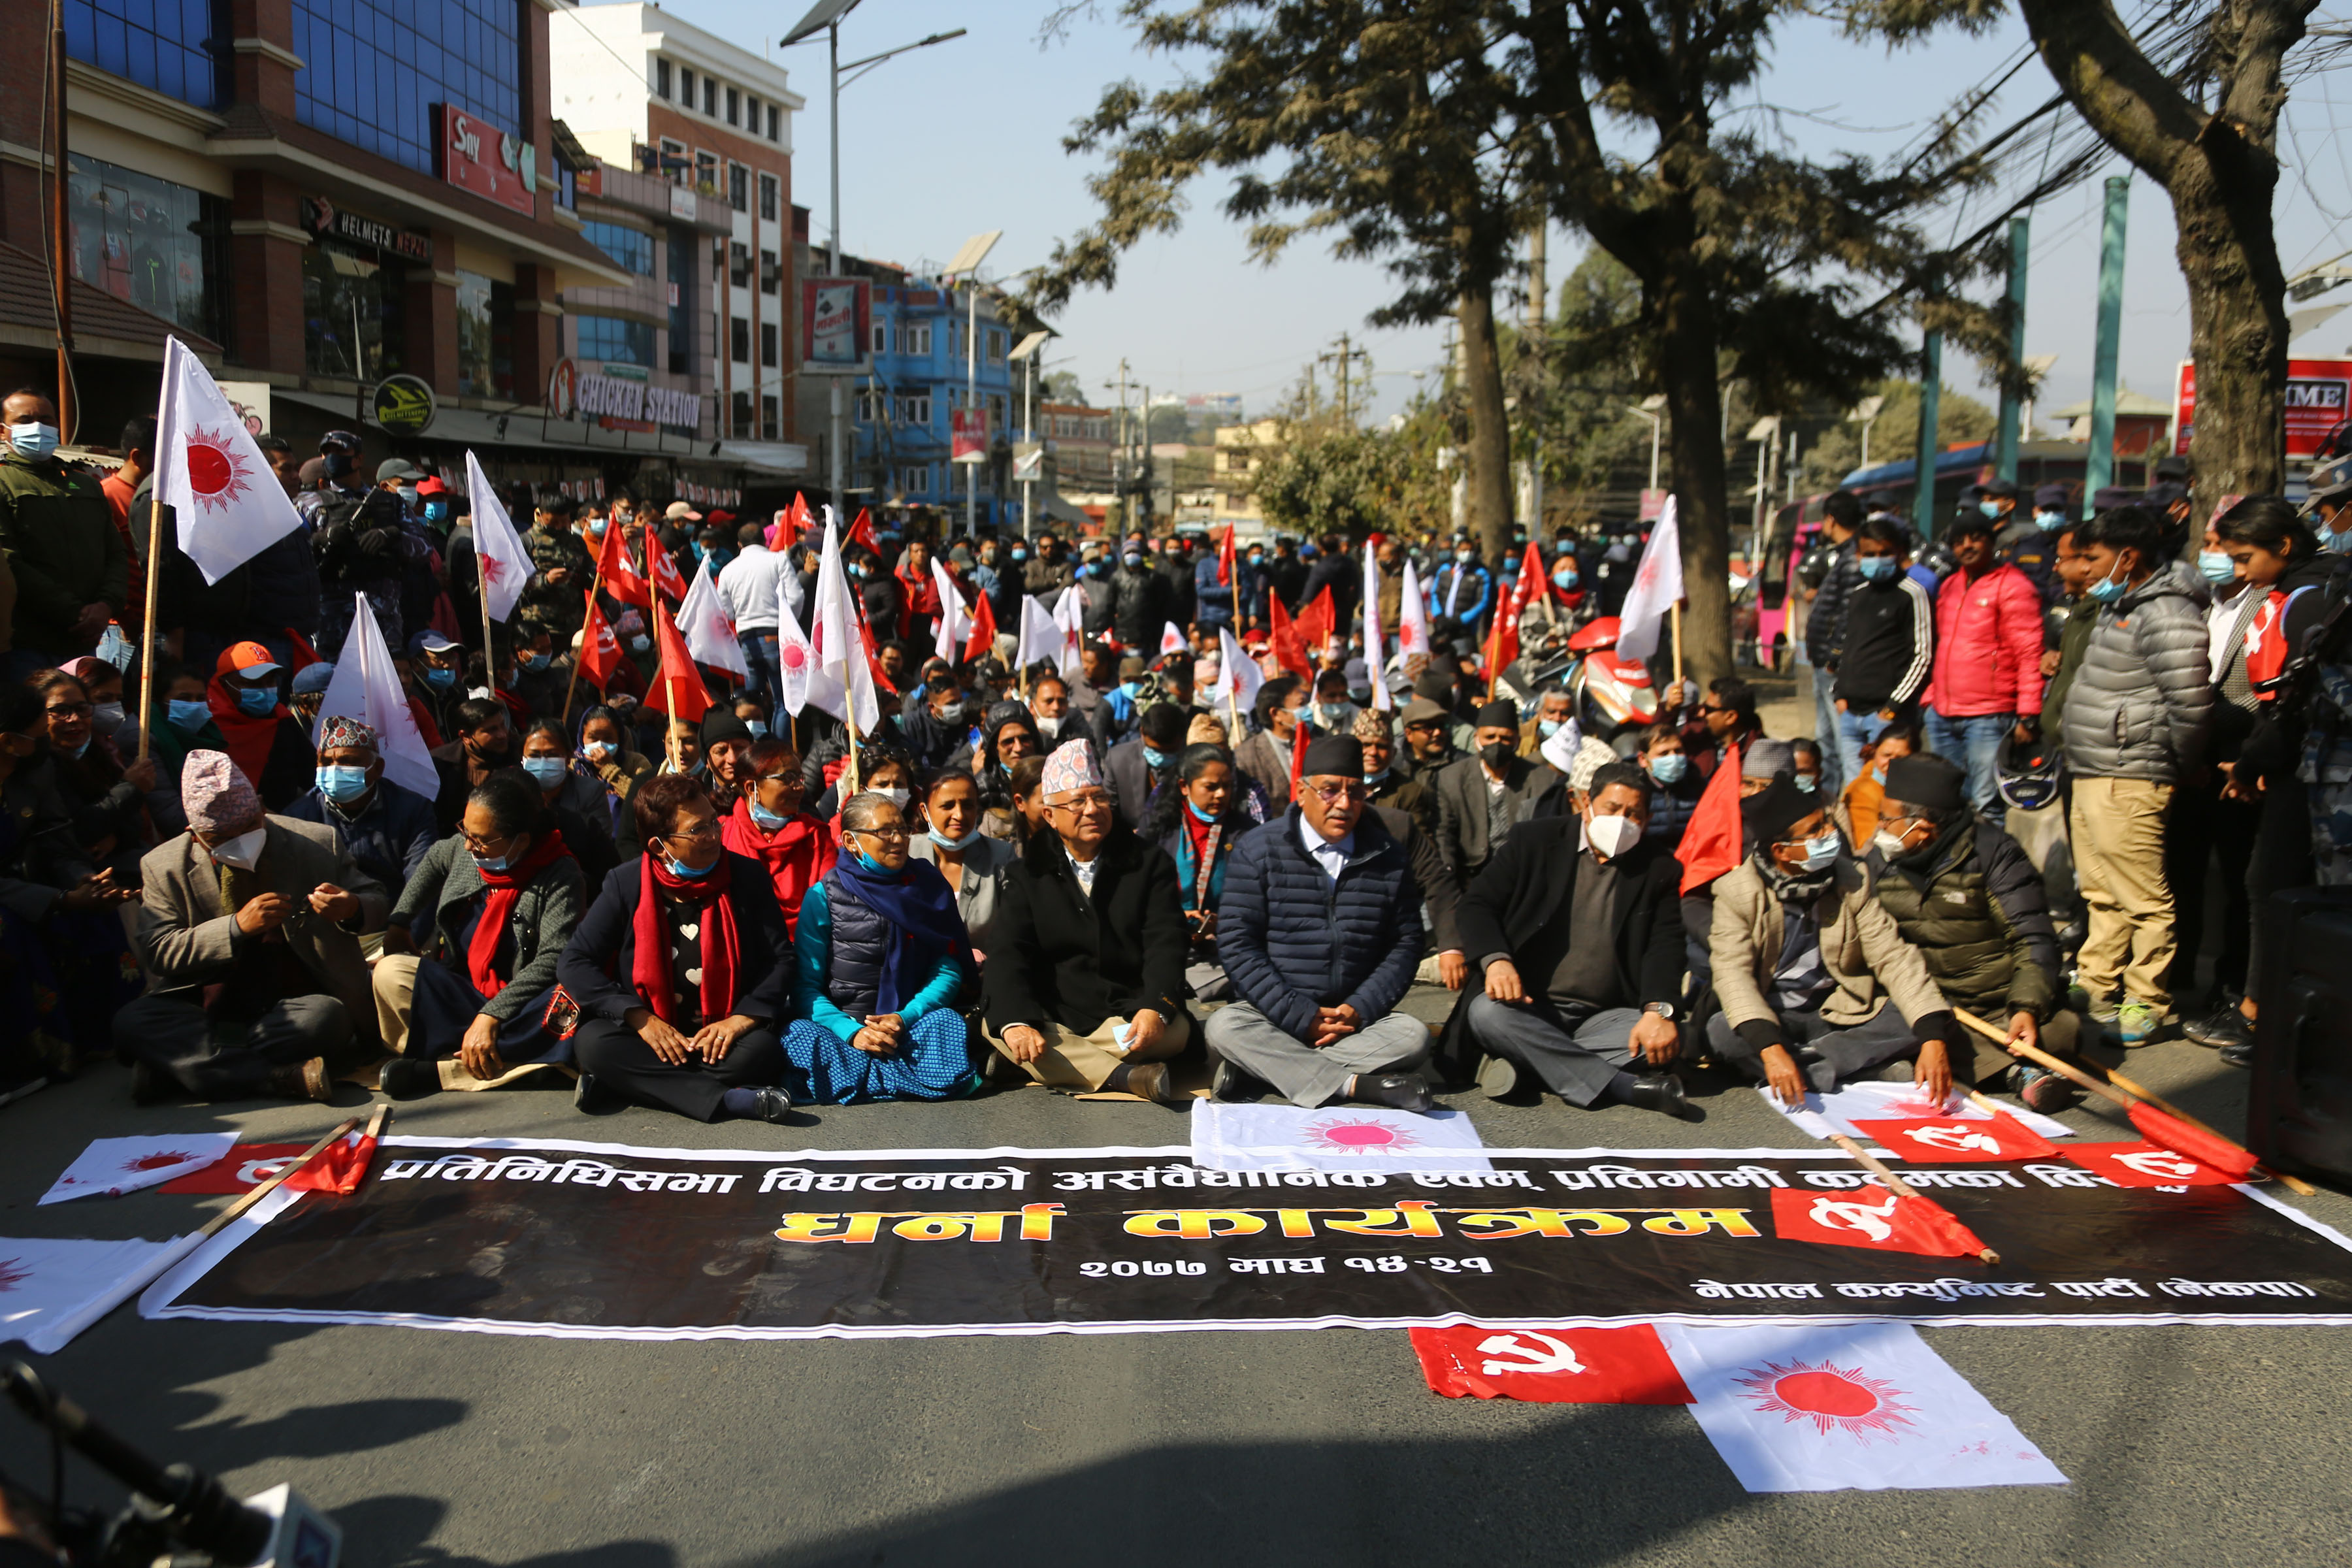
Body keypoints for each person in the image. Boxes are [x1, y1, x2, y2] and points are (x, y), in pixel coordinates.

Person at [121, 751, 386, 1103]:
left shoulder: (316, 842)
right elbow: (158, 949)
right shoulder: (164, 865)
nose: (239, 843)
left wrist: (351, 907)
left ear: (262, 809)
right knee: (132, 1020)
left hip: (293, 1001)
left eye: (248, 829)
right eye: (220, 838)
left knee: (326, 1018)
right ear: (195, 834)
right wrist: (235, 928)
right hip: (209, 1003)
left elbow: (376, 900)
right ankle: (274, 1077)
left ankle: (184, 1069)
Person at [1205, 734, 1434, 1111]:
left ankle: (1264, 1071)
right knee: (1225, 1026)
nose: (1344, 804)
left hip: (1352, 1021)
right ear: (1303, 791)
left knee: (1413, 1035)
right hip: (1275, 1014)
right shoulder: (1259, 849)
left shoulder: (1388, 854)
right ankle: (1360, 1087)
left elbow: (1406, 944)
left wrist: (1361, 1007)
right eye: (1330, 791)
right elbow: (1237, 943)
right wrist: (1299, 1015)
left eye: (1356, 792)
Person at [1448, 760, 1691, 1115]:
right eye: (1613, 809)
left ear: (1648, 821)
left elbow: (1665, 945)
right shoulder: (1533, 840)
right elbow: (1476, 905)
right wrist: (1496, 960)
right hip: (1525, 1005)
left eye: (1634, 814)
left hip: (1603, 1014)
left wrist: (1658, 1011)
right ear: (1584, 804)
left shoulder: (1659, 868)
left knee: (1670, 1037)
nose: (1623, 821)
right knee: (1487, 1014)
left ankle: (1530, 1064)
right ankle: (1622, 1086)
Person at [1705, 776, 1964, 1107]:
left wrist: (1931, 1039)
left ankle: (1808, 1069)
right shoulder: (1737, 891)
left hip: (1838, 1009)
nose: (1829, 833)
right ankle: (1856, 1068)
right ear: (1781, 851)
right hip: (1776, 1014)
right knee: (1721, 1031)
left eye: (1826, 822)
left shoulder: (1851, 877)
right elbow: (1732, 974)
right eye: (1814, 831)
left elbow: (1892, 956)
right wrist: (1770, 1049)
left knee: (1933, 1015)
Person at [2061, 504, 2213, 1044]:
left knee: (2144, 898)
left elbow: (2190, 706)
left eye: (2092, 557)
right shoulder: (2120, 602)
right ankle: (2097, 981)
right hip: (2095, 765)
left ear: (2128, 557)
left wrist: (2176, 765)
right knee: (2101, 890)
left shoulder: (2168, 612)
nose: (2084, 567)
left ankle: (2145, 997)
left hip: (2131, 773)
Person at [561, 775, 796, 1122]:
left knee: (762, 1051)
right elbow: (575, 962)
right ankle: (729, 1101)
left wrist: (741, 1021)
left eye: (714, 823)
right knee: (593, 1043)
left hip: (721, 1040)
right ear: (660, 847)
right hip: (651, 1037)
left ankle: (625, 1084)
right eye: (698, 830)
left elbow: (781, 959)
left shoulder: (746, 876)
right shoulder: (625, 883)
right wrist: (639, 1019)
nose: (715, 835)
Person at [1865, 754, 2082, 1112]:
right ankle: (2013, 1072)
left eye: (1886, 819)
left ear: (1921, 827)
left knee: (2058, 1028)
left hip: (1993, 1002)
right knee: (1876, 1023)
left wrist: (2025, 1006)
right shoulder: (1879, 863)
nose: (1880, 828)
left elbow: (2033, 937)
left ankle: (1998, 1067)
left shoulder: (1993, 853)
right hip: (1923, 1002)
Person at [983, 739, 1192, 1104]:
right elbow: (1010, 952)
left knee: (1175, 1032)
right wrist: (1018, 1023)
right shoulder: (1026, 874)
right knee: (999, 1026)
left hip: (1126, 1008)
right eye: (1078, 802)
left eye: (1099, 798)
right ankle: (1124, 1077)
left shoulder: (1149, 863)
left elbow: (1167, 940)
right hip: (1058, 1009)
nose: (1093, 810)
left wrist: (1154, 1007)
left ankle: (1044, 1064)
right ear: (1050, 815)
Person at [375, 770, 585, 1098]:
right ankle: (525, 1066)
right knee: (390, 973)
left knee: (573, 999)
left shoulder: (561, 873)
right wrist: (399, 921)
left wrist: (492, 1014)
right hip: (465, 989)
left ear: (522, 840)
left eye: (482, 840)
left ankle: (447, 1070)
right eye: (465, 833)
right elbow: (432, 861)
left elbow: (554, 956)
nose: (469, 845)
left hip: (522, 1003)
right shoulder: (465, 852)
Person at [785, 789, 979, 1103]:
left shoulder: (927, 885)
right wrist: (852, 1032)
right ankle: (914, 1080)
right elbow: (806, 986)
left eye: (902, 829)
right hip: (847, 1029)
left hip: (909, 1025)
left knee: (946, 1023)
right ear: (851, 841)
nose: (899, 840)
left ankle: (861, 1082)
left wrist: (905, 1017)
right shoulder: (823, 896)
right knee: (799, 1036)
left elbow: (947, 968)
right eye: (884, 832)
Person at [1923, 510, 2044, 824]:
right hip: (1943, 715)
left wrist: (2028, 715)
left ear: (1991, 543)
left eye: (1976, 538)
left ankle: (1992, 871)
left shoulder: (2014, 586)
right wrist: (1931, 699)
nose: (1967, 546)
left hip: (1988, 717)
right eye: (1959, 541)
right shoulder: (1949, 586)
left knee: (1988, 805)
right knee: (1948, 802)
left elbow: (2030, 652)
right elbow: (1942, 645)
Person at [0, 390, 125, 674]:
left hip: (87, 640)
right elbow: (9, 562)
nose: (37, 428)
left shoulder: (86, 485)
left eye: (45, 420)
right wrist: (74, 613)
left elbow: (116, 553)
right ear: (3, 431)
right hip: (28, 643)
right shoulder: (4, 482)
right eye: (24, 420)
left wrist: (106, 605)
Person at [1143, 742, 1258, 998]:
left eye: (1226, 787)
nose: (1220, 795)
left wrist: (1223, 923)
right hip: (1167, 941)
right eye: (1210, 787)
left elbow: (1257, 901)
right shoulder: (1160, 831)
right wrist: (1175, 917)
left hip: (1225, 946)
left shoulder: (1247, 834)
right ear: (1185, 787)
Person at [282, 714, 437, 902]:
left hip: (394, 916)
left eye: (348, 762)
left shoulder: (412, 810)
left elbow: (422, 880)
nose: (335, 769)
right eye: (326, 762)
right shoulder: (298, 817)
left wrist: (403, 926)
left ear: (378, 768)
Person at [1831, 517, 1934, 784]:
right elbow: (1849, 647)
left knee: (1888, 788)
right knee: (1855, 790)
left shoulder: (1912, 594)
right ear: (1858, 555)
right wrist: (1840, 695)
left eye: (1885, 553)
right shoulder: (1858, 595)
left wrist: (1892, 707)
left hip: (1887, 717)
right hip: (1850, 714)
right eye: (1870, 554)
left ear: (1899, 553)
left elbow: (1922, 656)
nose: (1877, 559)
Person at [1431, 698, 1562, 884]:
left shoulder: (1543, 780)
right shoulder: (1451, 778)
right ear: (1477, 738)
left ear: (1517, 740)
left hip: (1520, 877)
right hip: (1468, 876)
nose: (1497, 744)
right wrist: (1448, 871)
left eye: (1506, 738)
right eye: (1490, 737)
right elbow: (1444, 832)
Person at [721, 738, 835, 938]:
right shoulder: (722, 834)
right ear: (751, 788)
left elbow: (832, 902)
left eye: (800, 777)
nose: (799, 787)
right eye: (788, 778)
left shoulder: (816, 835)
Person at [909, 766, 1015, 958]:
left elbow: (1015, 927)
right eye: (947, 806)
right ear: (925, 811)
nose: (959, 815)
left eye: (967, 805)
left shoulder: (1002, 856)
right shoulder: (907, 853)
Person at [1802, 490, 1863, 794]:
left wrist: (1834, 657)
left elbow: (1849, 614)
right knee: (1825, 737)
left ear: (1830, 519)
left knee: (1843, 738)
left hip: (1833, 665)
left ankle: (1851, 799)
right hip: (1824, 662)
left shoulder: (1853, 558)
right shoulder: (1843, 555)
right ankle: (1828, 796)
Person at [203, 641, 312, 808]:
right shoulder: (206, 725)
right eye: (253, 684)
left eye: (270, 682)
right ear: (225, 684)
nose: (265, 689)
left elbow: (310, 774)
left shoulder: (283, 720)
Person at [716, 520, 791, 711]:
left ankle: (753, 739)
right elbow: (796, 597)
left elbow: (724, 610)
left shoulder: (727, 570)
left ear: (740, 544)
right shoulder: (778, 560)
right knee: (782, 701)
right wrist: (789, 622)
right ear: (764, 541)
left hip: (747, 639)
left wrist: (740, 618)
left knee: (751, 701)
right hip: (775, 635)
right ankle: (780, 741)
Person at [432, 696, 522, 833]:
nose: (503, 734)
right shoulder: (439, 763)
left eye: (503, 725)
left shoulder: (519, 758)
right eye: (492, 730)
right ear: (466, 737)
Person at [1108, 701, 1189, 829]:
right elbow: (1110, 809)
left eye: (1170, 751)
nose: (1161, 756)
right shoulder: (1118, 759)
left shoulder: (1195, 762)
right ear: (1142, 732)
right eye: (1154, 750)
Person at [1358, 708, 1433, 837]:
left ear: (1394, 753)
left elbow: (1421, 845)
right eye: (1366, 745)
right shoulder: (1338, 785)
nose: (1373, 752)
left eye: (1381, 746)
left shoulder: (1410, 792)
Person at [1234, 676, 1306, 806]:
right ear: (1276, 714)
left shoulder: (1320, 741)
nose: (1307, 710)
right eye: (1300, 705)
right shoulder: (1246, 755)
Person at [1635, 723, 1699, 841]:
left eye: (1678, 751)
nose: (1673, 758)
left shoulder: (1698, 784)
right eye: (1664, 753)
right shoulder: (1634, 789)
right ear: (1643, 759)